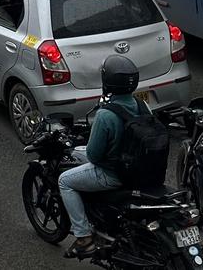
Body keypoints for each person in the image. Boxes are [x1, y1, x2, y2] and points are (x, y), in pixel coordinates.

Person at [58, 55, 146, 256]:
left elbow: (94, 156)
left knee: (65, 181)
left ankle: (83, 237)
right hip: (140, 171)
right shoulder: (142, 106)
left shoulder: (105, 115)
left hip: (113, 176)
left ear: (108, 82)